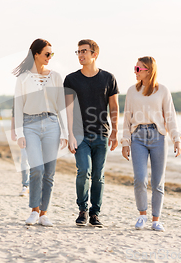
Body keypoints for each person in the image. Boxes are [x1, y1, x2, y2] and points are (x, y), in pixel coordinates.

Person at [121, 56, 181, 232]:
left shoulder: (162, 90)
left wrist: (176, 139)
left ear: (148, 70)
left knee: (158, 181)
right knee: (140, 179)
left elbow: (170, 116)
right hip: (137, 137)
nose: (135, 71)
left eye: (138, 69)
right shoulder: (132, 91)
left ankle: (156, 220)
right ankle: (142, 215)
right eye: (135, 68)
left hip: (158, 136)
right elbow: (127, 118)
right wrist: (125, 142)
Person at [64, 39, 119, 228]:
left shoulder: (108, 78)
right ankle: (82, 210)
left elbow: (114, 107)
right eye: (78, 52)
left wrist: (115, 132)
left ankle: (95, 214)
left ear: (95, 54)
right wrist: (69, 135)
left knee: (98, 175)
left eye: (84, 51)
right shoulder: (71, 79)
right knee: (83, 171)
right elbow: (69, 109)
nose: (81, 55)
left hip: (102, 134)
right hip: (80, 135)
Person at [13, 38, 68, 227]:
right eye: (47, 53)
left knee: (49, 172)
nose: (50, 57)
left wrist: (65, 133)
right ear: (36, 54)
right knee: (36, 168)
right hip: (30, 124)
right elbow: (18, 105)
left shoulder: (56, 76)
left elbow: (61, 106)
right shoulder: (23, 78)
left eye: (51, 54)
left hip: (52, 124)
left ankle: (44, 213)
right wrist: (19, 133)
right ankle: (34, 210)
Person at [11, 114, 30, 197]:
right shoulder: (18, 100)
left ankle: (38, 185)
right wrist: (13, 130)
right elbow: (14, 113)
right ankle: (26, 185)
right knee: (24, 159)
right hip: (24, 130)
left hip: (41, 128)